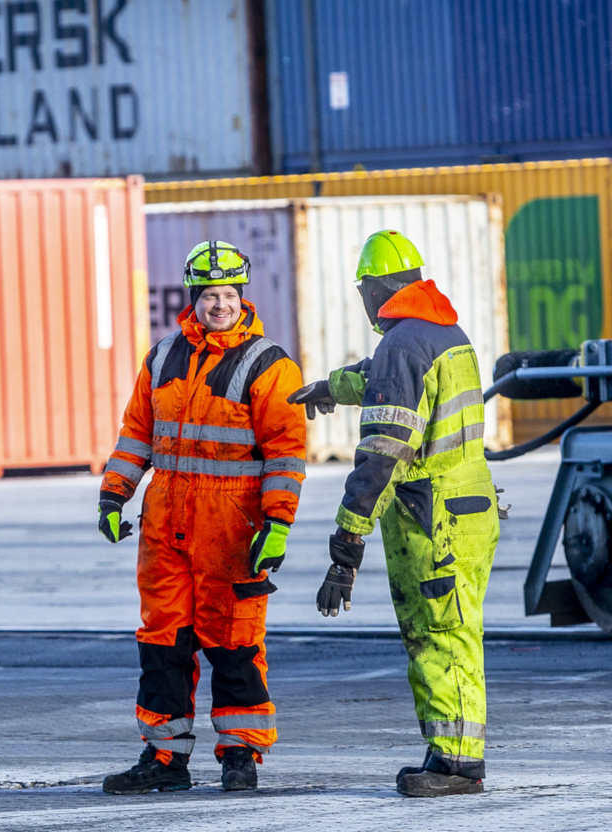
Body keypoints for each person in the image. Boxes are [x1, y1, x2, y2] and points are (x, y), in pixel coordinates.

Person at [289, 230, 499, 798]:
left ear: (376, 288)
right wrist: (332, 386)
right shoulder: (443, 333)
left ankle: (457, 764)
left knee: (439, 635)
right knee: (455, 632)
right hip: (468, 505)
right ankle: (450, 750)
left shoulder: (402, 344)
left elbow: (383, 454)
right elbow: (385, 379)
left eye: (365, 290)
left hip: (434, 519)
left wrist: (345, 546)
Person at [97, 240, 307, 794]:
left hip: (232, 525)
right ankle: (164, 760)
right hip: (165, 521)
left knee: (234, 642)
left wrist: (278, 523)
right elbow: (137, 433)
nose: (221, 304)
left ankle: (240, 754)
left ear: (244, 296)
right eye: (211, 294)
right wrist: (114, 494)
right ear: (194, 298)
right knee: (162, 641)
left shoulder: (269, 364)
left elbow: (286, 454)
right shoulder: (163, 356)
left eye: (231, 293)